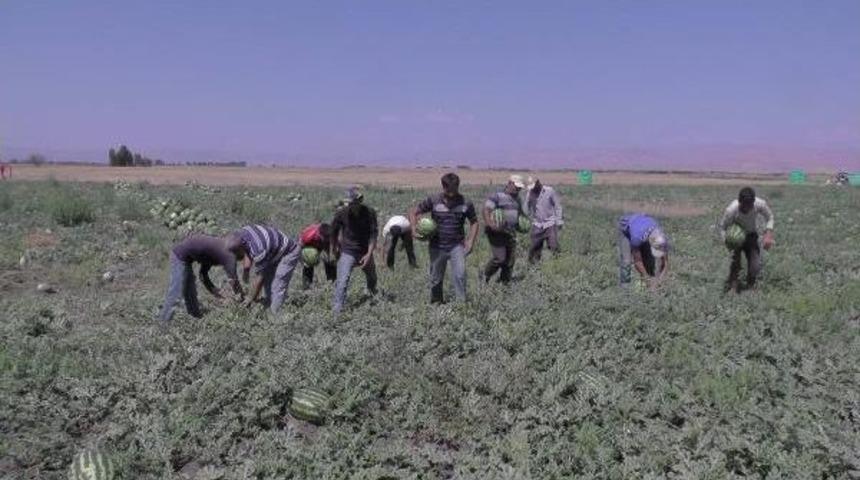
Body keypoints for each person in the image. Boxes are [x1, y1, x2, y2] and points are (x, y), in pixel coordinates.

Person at [410, 172, 479, 303]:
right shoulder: (434, 200)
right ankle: (436, 303)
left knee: (460, 275)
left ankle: (461, 305)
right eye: (449, 190)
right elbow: (414, 212)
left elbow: (474, 222)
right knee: (435, 278)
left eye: (454, 190)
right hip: (437, 246)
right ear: (443, 187)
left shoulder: (466, 203)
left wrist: (470, 241)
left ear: (458, 186)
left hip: (457, 246)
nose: (452, 194)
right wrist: (413, 229)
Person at [159, 234, 244, 325]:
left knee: (190, 292)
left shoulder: (216, 251)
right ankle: (163, 322)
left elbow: (203, 275)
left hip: (186, 259)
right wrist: (242, 298)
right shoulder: (229, 256)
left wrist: (214, 290)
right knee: (176, 293)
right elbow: (234, 282)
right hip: (179, 256)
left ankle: (195, 318)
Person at [229, 224, 301, 313]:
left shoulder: (258, 250)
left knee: (278, 284)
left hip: (289, 252)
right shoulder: (241, 234)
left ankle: (275, 315)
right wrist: (246, 270)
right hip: (272, 251)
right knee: (268, 285)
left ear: (240, 248)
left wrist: (249, 299)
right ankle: (270, 305)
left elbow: (259, 278)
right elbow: (247, 251)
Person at [331, 187, 378, 313]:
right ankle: (337, 311)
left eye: (352, 203)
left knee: (372, 277)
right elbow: (333, 231)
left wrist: (369, 255)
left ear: (359, 201)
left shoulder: (369, 213)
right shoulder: (342, 213)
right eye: (348, 203)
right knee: (343, 280)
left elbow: (373, 235)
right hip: (348, 251)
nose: (349, 206)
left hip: (365, 250)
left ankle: (372, 297)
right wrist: (334, 247)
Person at [720, 187, 775, 292]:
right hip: (735, 239)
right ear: (739, 202)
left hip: (751, 235)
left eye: (749, 206)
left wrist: (768, 234)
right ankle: (733, 287)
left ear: (753, 203)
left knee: (755, 265)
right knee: (735, 263)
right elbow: (723, 228)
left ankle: (751, 287)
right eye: (743, 206)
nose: (746, 209)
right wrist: (727, 242)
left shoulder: (760, 204)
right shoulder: (731, 210)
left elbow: (770, 217)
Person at [482, 174, 526, 284]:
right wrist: (491, 224)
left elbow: (519, 214)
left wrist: (523, 225)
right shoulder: (497, 196)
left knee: (510, 261)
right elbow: (486, 210)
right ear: (510, 183)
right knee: (500, 258)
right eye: (517, 187)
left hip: (510, 232)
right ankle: (485, 276)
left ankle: (504, 284)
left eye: (520, 188)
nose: (518, 189)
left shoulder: (517, 199)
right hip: (496, 232)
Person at [617, 213, 670, 290]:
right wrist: (649, 282)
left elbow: (665, 263)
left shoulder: (661, 236)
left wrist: (660, 280)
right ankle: (625, 289)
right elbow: (638, 262)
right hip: (626, 228)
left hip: (642, 224)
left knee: (649, 260)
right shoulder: (636, 238)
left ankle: (645, 287)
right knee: (626, 261)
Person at [525, 176, 563, 263]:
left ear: (538, 183)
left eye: (534, 186)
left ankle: (558, 263)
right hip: (537, 224)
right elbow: (526, 209)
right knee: (534, 247)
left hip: (550, 223)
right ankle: (533, 266)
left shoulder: (549, 191)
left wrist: (559, 220)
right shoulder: (530, 193)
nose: (533, 189)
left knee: (554, 246)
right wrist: (528, 199)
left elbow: (557, 206)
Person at [298, 222, 337, 289]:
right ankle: (307, 285)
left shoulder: (329, 234)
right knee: (309, 261)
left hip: (319, 243)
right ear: (320, 235)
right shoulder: (309, 236)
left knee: (329, 260)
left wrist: (330, 256)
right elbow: (300, 245)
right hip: (309, 245)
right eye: (325, 238)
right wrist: (303, 259)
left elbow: (329, 247)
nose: (327, 239)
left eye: (328, 238)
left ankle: (332, 281)